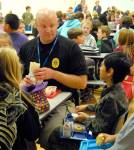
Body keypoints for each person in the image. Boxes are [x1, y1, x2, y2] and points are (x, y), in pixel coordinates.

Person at [19, 8, 88, 148]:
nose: (48, 30)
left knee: (50, 136)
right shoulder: (27, 47)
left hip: (63, 101)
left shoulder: (71, 47)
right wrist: (23, 82)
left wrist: (54, 74)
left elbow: (82, 83)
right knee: (21, 133)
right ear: (36, 25)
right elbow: (17, 80)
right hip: (32, 99)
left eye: (52, 25)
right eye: (43, 26)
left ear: (58, 24)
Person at [48, 52, 131, 150]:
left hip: (97, 139)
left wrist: (85, 119)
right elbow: (103, 107)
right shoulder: (117, 89)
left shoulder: (112, 99)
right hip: (103, 130)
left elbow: (98, 130)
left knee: (57, 133)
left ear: (110, 72)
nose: (99, 69)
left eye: (101, 66)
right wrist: (86, 107)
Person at [0, 47, 41, 150]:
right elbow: (33, 134)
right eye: (18, 61)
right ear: (15, 67)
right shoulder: (20, 97)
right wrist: (33, 94)